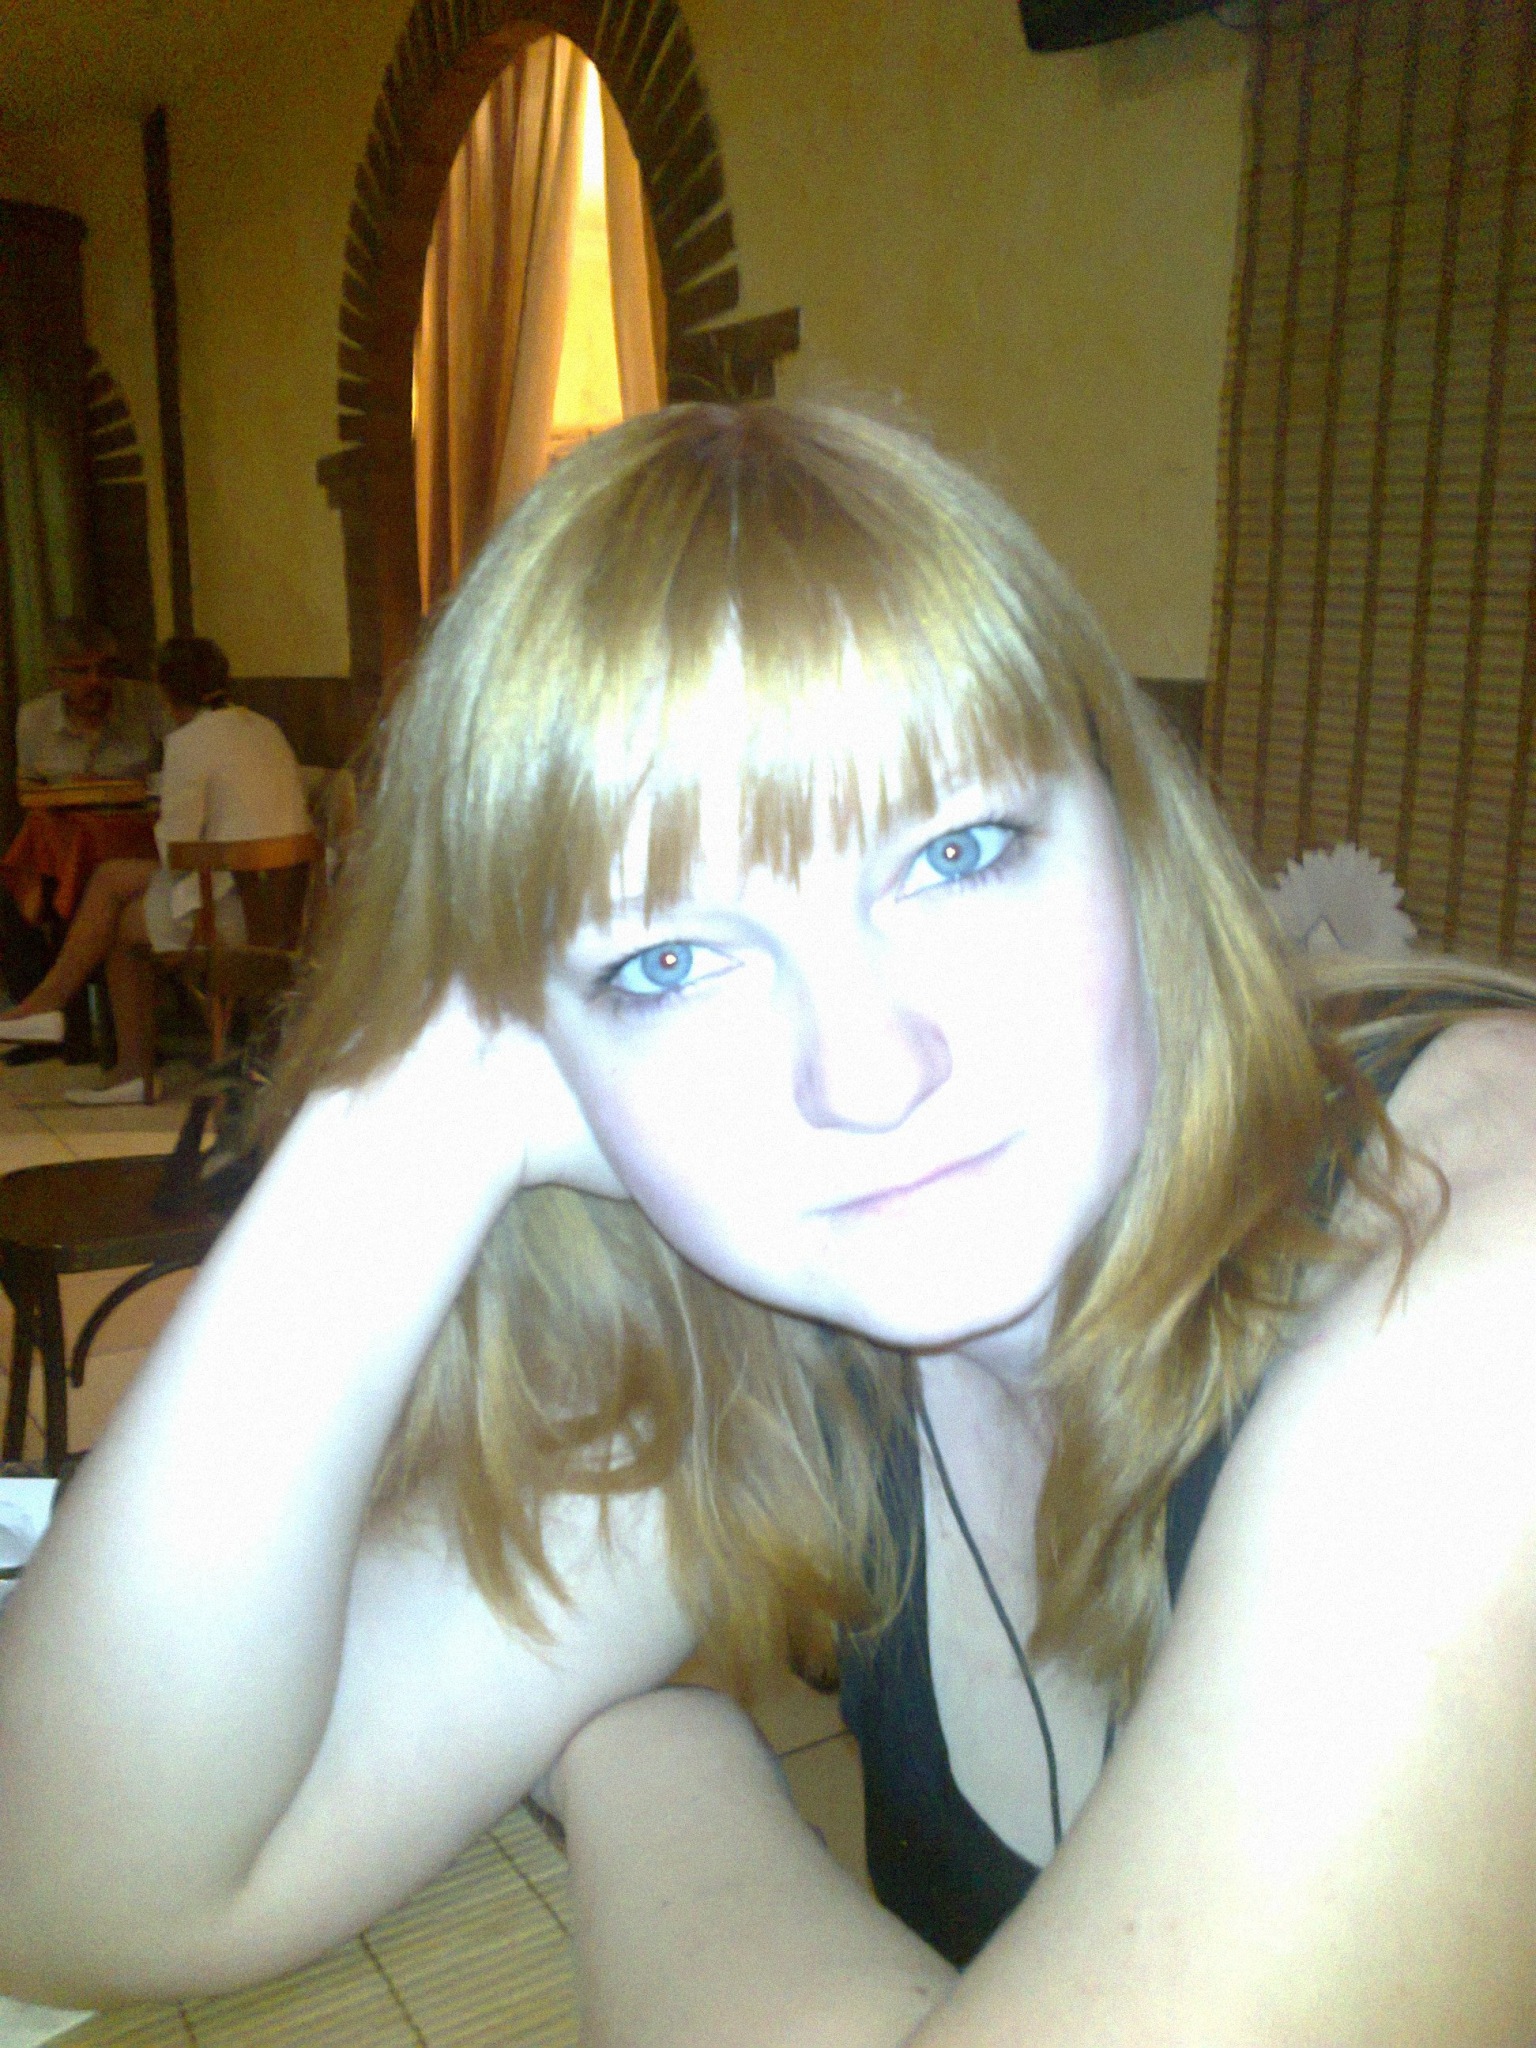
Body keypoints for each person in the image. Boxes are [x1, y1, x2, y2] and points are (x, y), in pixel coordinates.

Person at [0, 404, 1531, 2046]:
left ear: (1136, 838)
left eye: (958, 850)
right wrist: (406, 1127)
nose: (868, 1073)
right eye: (667, 961)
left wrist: (644, 1753)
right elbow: (77, 1880)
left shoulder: (1480, 1288)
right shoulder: (806, 1325)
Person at [0, 636, 311, 1104]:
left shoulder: (189, 742)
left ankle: (117, 1059)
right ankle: (49, 1008)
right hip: (284, 909)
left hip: (231, 916)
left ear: (165, 692)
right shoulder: (265, 728)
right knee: (110, 878)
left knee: (123, 924)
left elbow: (177, 847)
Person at [15, 618, 169, 786]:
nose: (95, 680)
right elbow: (27, 786)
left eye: (104, 669)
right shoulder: (33, 718)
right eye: (81, 671)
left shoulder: (152, 702)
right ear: (55, 676)